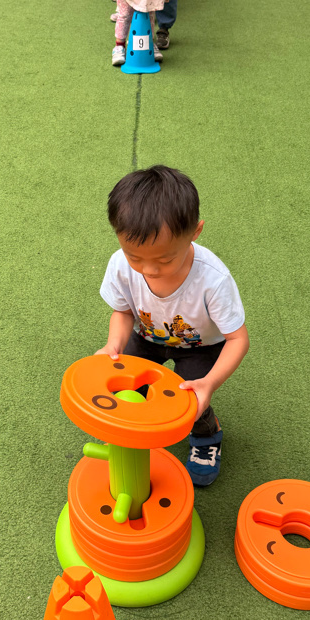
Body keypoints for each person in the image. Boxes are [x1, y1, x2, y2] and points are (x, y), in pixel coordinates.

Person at [97, 165, 249, 486]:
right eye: (134, 257)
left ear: (195, 231)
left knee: (189, 398)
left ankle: (207, 435)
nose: (149, 270)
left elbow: (238, 339)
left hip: (200, 346)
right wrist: (113, 344)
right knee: (125, 383)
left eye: (165, 259)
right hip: (147, 337)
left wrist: (209, 383)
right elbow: (122, 312)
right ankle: (130, 429)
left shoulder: (213, 280)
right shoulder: (120, 266)